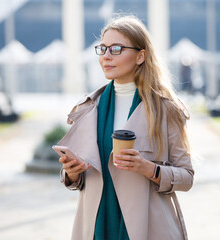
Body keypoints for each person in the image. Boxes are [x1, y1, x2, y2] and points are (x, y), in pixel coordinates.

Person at [58, 15, 194, 240]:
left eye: (117, 49)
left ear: (140, 56)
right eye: (102, 49)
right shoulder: (89, 108)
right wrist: (71, 173)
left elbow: (187, 177)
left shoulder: (165, 109)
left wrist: (148, 169)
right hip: (96, 227)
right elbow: (81, 177)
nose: (106, 57)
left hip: (148, 228)